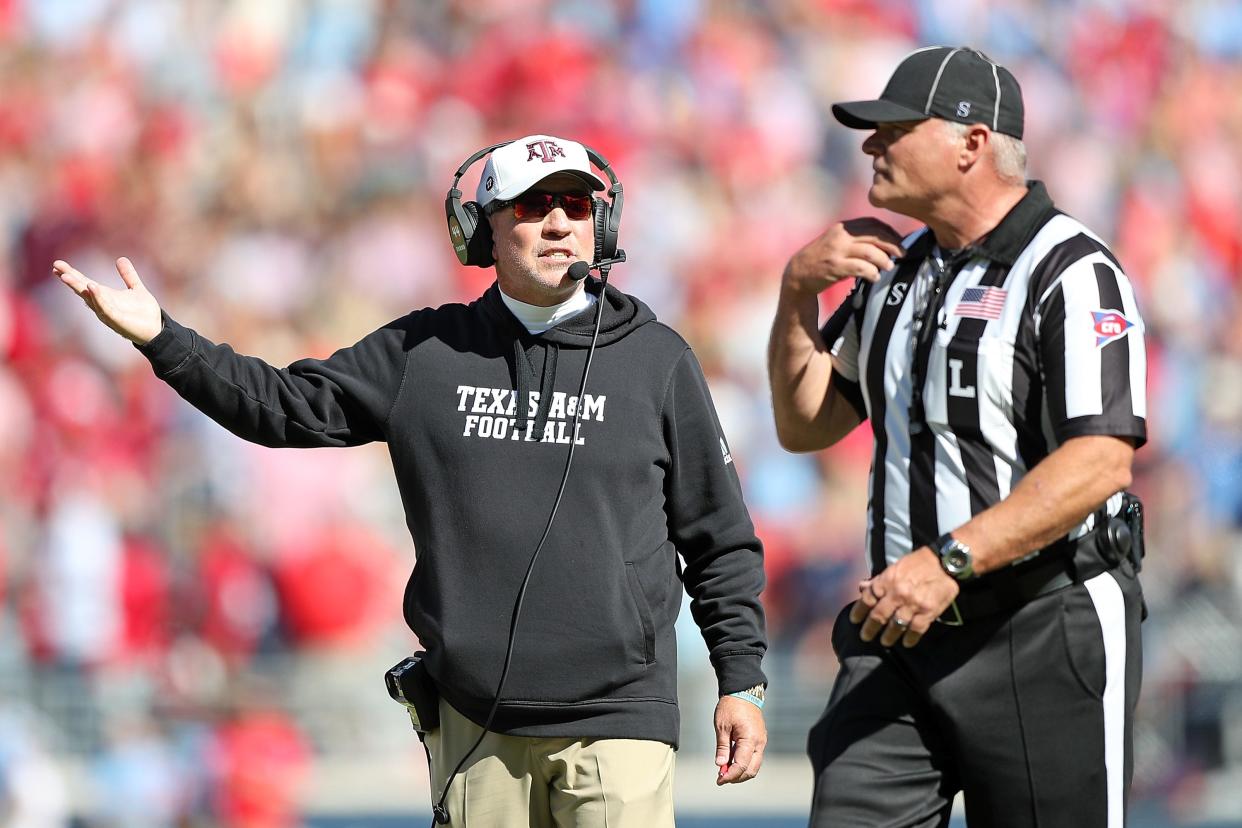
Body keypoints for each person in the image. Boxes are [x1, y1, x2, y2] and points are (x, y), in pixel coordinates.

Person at [54, 134, 768, 827]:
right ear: (480, 233)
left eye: (577, 206)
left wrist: (741, 678)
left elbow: (718, 538)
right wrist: (162, 338)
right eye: (532, 205)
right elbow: (280, 407)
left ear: (601, 225)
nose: (558, 221)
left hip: (620, 720)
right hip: (476, 723)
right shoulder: (424, 352)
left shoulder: (658, 361)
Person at [767, 48, 1147, 827]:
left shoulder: (1071, 268)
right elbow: (806, 426)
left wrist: (950, 561)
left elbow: (1102, 460)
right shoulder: (897, 270)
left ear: (971, 142)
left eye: (894, 130)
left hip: (1041, 622)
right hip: (901, 633)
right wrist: (796, 296)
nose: (872, 147)